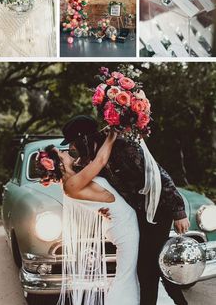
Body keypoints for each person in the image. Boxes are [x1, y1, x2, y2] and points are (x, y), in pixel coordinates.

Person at [61, 115, 190, 305]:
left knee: (147, 270)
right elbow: (87, 181)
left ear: (84, 139)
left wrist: (179, 212)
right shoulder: (91, 157)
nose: (72, 148)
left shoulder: (123, 147)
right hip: (137, 214)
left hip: (156, 212)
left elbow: (159, 175)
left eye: (73, 142)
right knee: (153, 265)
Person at [38, 131, 140, 305]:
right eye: (61, 153)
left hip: (120, 224)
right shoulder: (71, 184)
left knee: (129, 276)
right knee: (125, 278)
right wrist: (112, 135)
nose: (65, 152)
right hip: (125, 228)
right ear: (58, 164)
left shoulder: (74, 178)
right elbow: (100, 161)